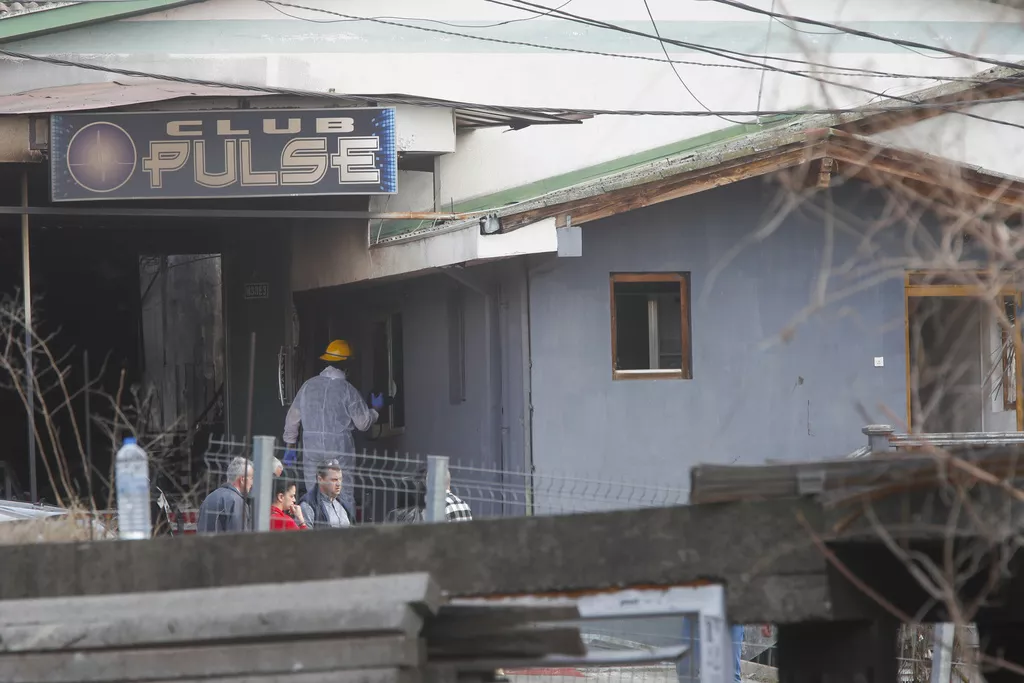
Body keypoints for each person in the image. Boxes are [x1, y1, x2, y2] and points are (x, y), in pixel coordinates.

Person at [282, 339, 382, 510]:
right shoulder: (346, 389)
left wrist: (290, 447)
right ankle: (344, 531)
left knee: (313, 494)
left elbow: (292, 419)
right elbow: (363, 423)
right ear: (347, 365)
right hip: (339, 450)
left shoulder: (308, 386)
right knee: (343, 493)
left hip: (312, 449)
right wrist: (376, 410)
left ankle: (313, 529)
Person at [196, 456, 253, 534]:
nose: (252, 483)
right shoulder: (237, 502)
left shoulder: (209, 497)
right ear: (242, 479)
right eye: (251, 478)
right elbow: (239, 539)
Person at [299, 459, 355, 529]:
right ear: (320, 480)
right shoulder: (308, 505)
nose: (338, 484)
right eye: (334, 480)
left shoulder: (342, 501)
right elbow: (304, 536)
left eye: (340, 479)